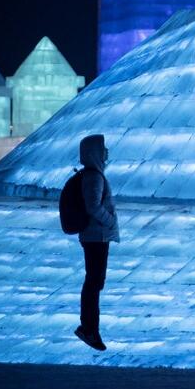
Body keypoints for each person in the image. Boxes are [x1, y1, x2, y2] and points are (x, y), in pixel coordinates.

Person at [74, 134, 120, 351]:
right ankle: (89, 329)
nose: (106, 153)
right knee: (94, 282)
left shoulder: (92, 175)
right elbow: (93, 206)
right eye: (103, 149)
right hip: (96, 236)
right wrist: (110, 221)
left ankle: (90, 328)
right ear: (94, 153)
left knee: (94, 282)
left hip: (95, 235)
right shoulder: (95, 177)